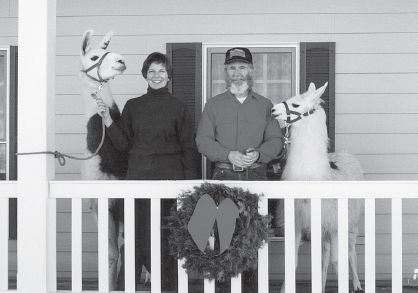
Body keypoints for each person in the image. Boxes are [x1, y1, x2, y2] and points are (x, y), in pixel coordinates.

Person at [96, 52, 199, 290]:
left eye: (161, 71)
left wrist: (190, 187)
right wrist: (107, 119)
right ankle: (127, 286)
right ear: (145, 75)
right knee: (134, 239)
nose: (156, 75)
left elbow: (188, 148)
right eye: (152, 71)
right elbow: (122, 144)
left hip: (170, 183)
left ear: (168, 76)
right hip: (137, 181)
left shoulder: (179, 107)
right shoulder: (133, 106)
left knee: (167, 239)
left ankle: (168, 287)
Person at [196, 47, 283, 181]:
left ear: (251, 70)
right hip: (223, 174)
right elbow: (203, 140)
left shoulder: (265, 105)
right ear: (225, 72)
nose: (237, 73)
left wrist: (258, 154)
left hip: (257, 174)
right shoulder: (213, 104)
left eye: (242, 67)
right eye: (232, 68)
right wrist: (228, 155)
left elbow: (276, 140)